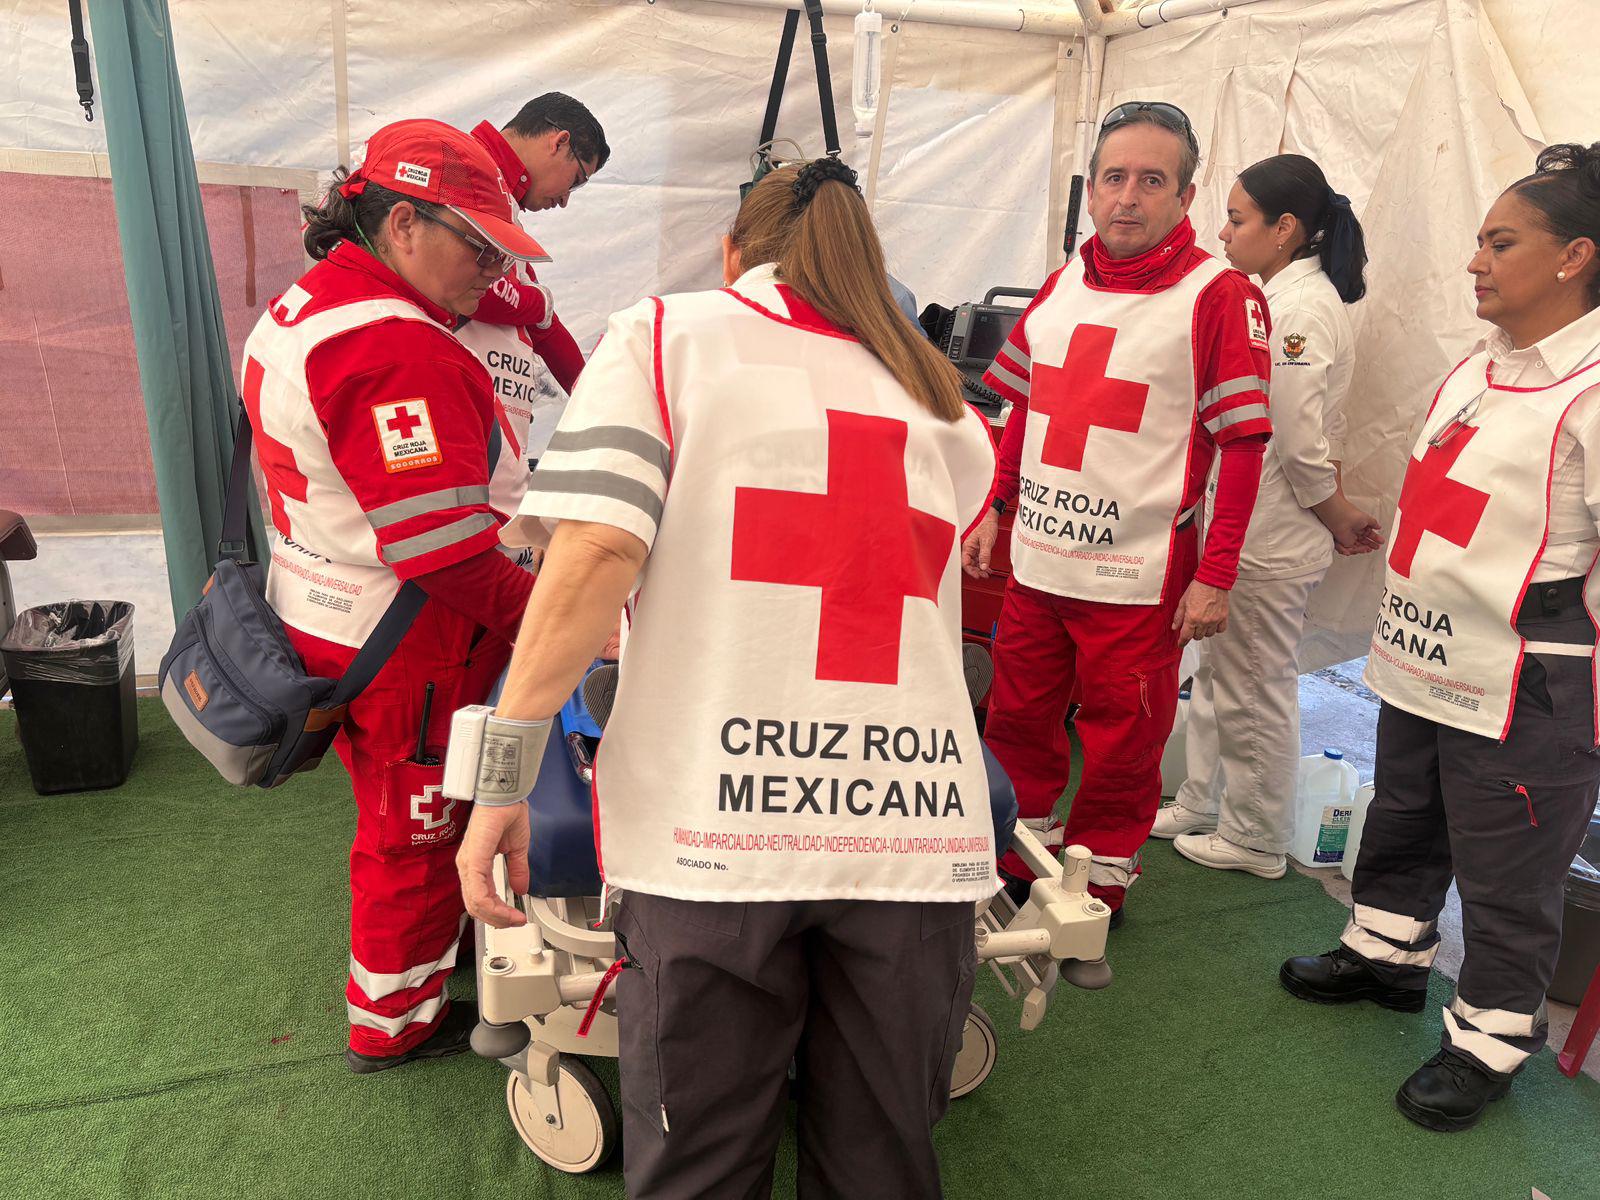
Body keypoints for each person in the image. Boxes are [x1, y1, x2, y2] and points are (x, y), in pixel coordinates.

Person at [454, 158, 999, 1197]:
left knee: (699, 1163)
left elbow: (592, 557)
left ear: (732, 252)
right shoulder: (944, 401)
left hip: (715, 836)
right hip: (916, 834)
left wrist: (502, 777)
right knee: (884, 1160)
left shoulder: (667, 337)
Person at [1281, 143, 1600, 1132]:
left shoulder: (1592, 388)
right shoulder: (1479, 367)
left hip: (1527, 676)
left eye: (1500, 242)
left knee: (1509, 871)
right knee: (1405, 816)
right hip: (1424, 657)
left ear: (1574, 257)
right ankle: (1385, 954)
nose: (1474, 260)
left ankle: (1492, 1041)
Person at [242, 119, 546, 1072]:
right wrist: (555, 621)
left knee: (399, 817)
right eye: (480, 246)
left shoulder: (312, 300)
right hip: (406, 638)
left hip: (329, 604)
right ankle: (394, 1024)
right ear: (404, 223)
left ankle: (430, 966)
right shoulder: (397, 349)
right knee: (413, 834)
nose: (495, 273)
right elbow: (445, 554)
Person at [963, 101, 1273, 920]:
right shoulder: (1065, 280)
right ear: (1092, 189)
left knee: (1123, 740)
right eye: (1113, 178)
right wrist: (994, 505)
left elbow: (1243, 446)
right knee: (1018, 716)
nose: (1128, 197)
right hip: (1038, 560)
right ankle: (1016, 853)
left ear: (1186, 196)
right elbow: (1025, 409)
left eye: (1151, 180)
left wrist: (1216, 576)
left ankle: (1100, 880)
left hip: (1138, 575)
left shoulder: (1219, 295)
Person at [1151, 154, 1383, 877]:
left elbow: (1295, 440)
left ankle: (1255, 837)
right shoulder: (1272, 300)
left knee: (1254, 685)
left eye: (1236, 219)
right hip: (1249, 526)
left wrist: (1337, 515)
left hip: (1272, 533)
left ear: (1285, 229)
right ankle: (1204, 800)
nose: (1222, 233)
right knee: (1220, 676)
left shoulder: (1299, 312)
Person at [458, 93, 611, 536]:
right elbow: (464, 280)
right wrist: (536, 303)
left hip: (492, 452)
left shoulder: (499, 192)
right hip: (467, 440)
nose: (565, 200)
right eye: (576, 180)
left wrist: (597, 401)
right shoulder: (467, 168)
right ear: (559, 142)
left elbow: (543, 326)